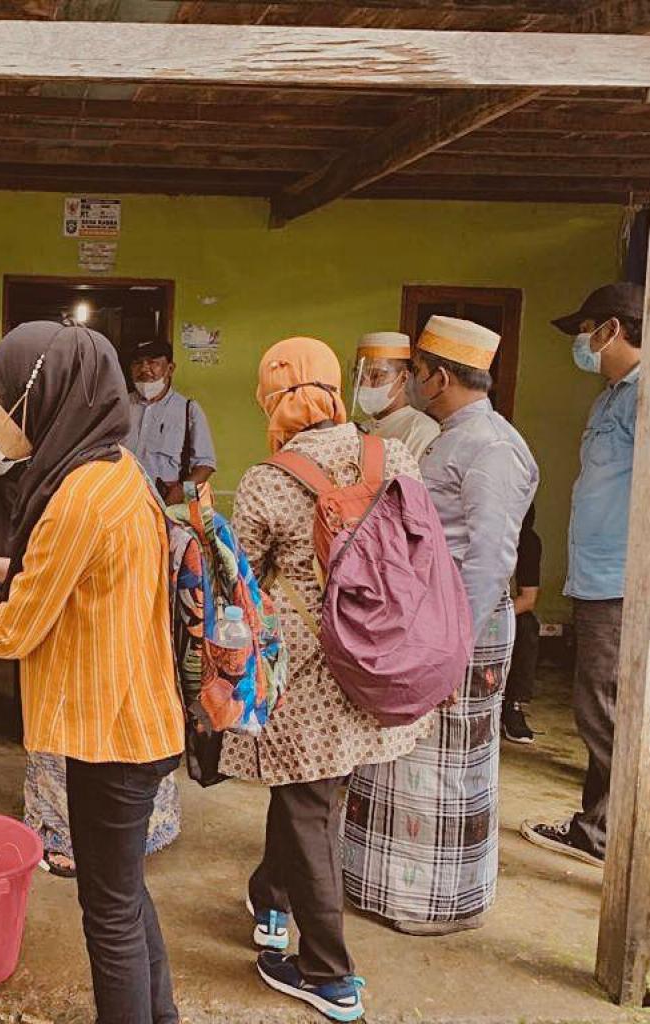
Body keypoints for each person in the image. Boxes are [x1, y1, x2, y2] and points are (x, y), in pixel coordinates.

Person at [0, 321, 185, 1024]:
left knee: (108, 911)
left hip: (110, 732)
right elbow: (62, 575)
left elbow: (14, 629)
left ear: (40, 399)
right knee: (124, 895)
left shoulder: (78, 495)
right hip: (133, 714)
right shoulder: (113, 469)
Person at [224, 336, 428, 1024]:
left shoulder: (267, 479)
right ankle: (270, 899)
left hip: (306, 675)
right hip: (377, 660)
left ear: (271, 399)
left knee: (308, 806)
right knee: (311, 794)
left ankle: (327, 974)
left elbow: (241, 582)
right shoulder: (391, 456)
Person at [345, 316, 538, 936]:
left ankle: (434, 903)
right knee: (406, 756)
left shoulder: (493, 447)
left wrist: (454, 647)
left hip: (463, 626)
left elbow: (490, 558)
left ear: (440, 378)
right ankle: (385, 887)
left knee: (448, 765)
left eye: (421, 373)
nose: (414, 383)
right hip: (430, 618)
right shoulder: (455, 436)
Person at [523, 282, 643, 867]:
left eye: (585, 330)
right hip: (598, 576)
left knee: (604, 709)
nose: (580, 341)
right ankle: (597, 828)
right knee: (603, 706)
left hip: (623, 581)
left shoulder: (644, 398)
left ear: (612, 329)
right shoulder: (611, 398)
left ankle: (615, 838)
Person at [125, 338, 217, 504]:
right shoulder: (119, 407)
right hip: (124, 499)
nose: (144, 369)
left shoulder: (189, 410)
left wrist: (181, 492)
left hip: (169, 503)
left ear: (170, 369)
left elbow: (205, 465)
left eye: (152, 362)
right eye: (138, 363)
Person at [351, 331, 439, 461]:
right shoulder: (357, 430)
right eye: (360, 377)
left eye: (376, 375)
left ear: (403, 378)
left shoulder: (421, 430)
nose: (364, 385)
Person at [504, 504, 541, 744]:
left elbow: (528, 600)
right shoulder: (477, 532)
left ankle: (513, 704)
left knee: (526, 626)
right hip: (466, 607)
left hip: (500, 612)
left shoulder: (528, 543)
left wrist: (494, 616)